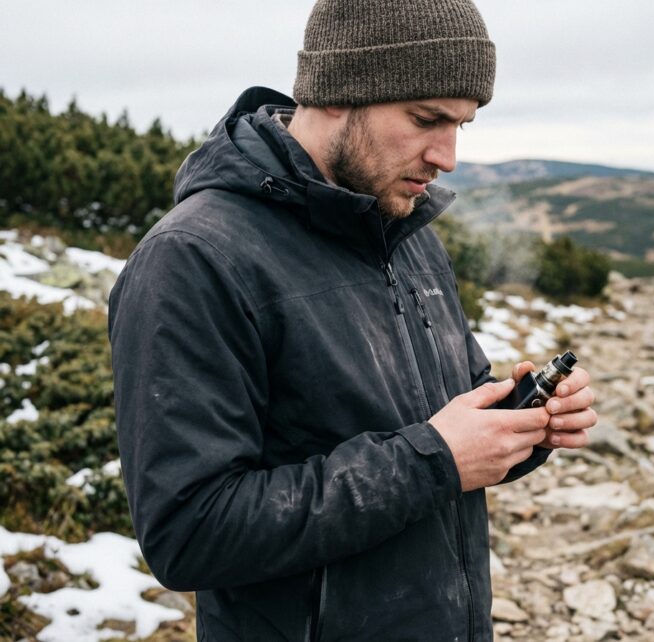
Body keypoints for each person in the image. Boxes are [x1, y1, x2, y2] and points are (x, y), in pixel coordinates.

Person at [108, 1, 597, 640]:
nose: (447, 156)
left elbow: (445, 429)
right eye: (427, 119)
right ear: (338, 92)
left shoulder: (404, 230)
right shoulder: (194, 259)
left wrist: (526, 425)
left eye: (462, 125)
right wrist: (435, 460)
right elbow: (190, 533)